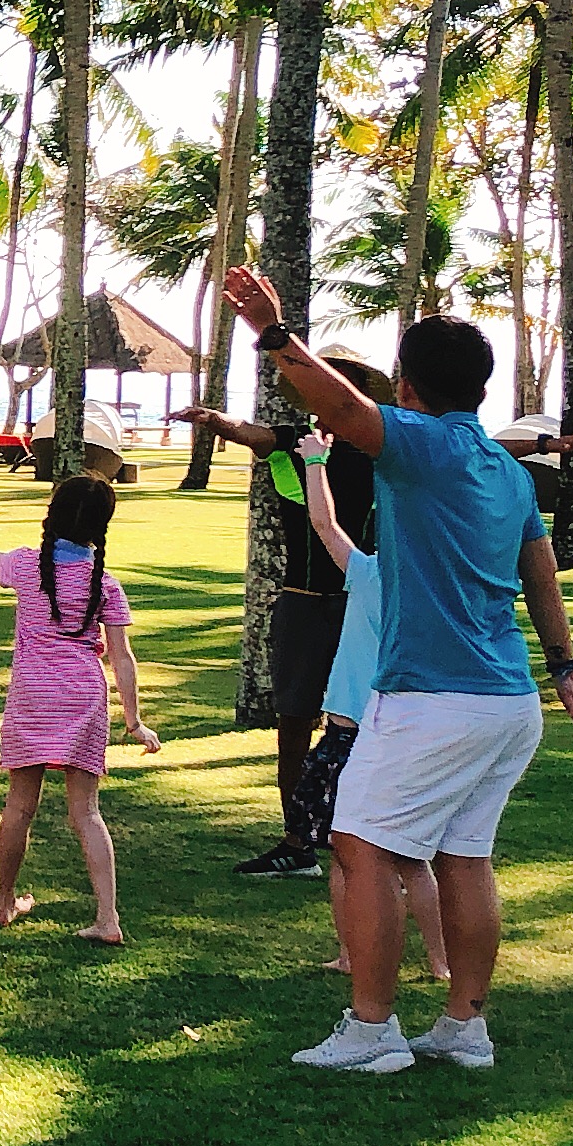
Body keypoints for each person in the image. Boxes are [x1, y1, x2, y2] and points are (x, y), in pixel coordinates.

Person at [219, 268, 573, 1074]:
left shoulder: (421, 444)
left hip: (433, 697)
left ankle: (371, 1031)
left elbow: (339, 410)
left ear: (407, 383)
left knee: (358, 845)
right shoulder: (505, 470)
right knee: (464, 856)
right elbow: (539, 573)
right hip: (508, 701)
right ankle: (465, 1029)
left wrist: (272, 332)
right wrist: (566, 667)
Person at [171, 364, 384, 880]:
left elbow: (468, 452)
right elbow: (253, 434)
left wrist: (547, 447)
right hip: (304, 602)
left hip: (364, 605)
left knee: (366, 725)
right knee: (294, 720)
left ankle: (356, 833)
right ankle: (298, 840)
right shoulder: (298, 442)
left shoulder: (384, 449)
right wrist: (215, 421)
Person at [280, 429, 449, 986]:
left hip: (353, 734)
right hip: (402, 732)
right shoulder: (430, 590)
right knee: (409, 857)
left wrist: (316, 461)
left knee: (346, 853)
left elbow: (325, 523)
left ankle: (355, 956)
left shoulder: (371, 574)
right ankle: (439, 962)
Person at [0, 474, 159, 944]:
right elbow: (122, 656)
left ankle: (4, 901)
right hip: (84, 698)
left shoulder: (27, 567)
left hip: (32, 696)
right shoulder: (104, 583)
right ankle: (108, 918)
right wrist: (133, 720)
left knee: (19, 806)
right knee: (86, 813)